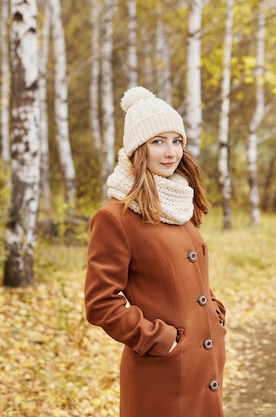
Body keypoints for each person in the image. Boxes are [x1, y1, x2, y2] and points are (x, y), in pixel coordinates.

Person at [85, 86, 227, 416]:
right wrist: (159, 339)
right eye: (157, 141)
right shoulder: (115, 217)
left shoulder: (179, 204)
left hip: (203, 370)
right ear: (139, 149)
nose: (170, 152)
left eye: (176, 141)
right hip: (161, 377)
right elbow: (100, 303)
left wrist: (214, 313)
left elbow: (190, 279)